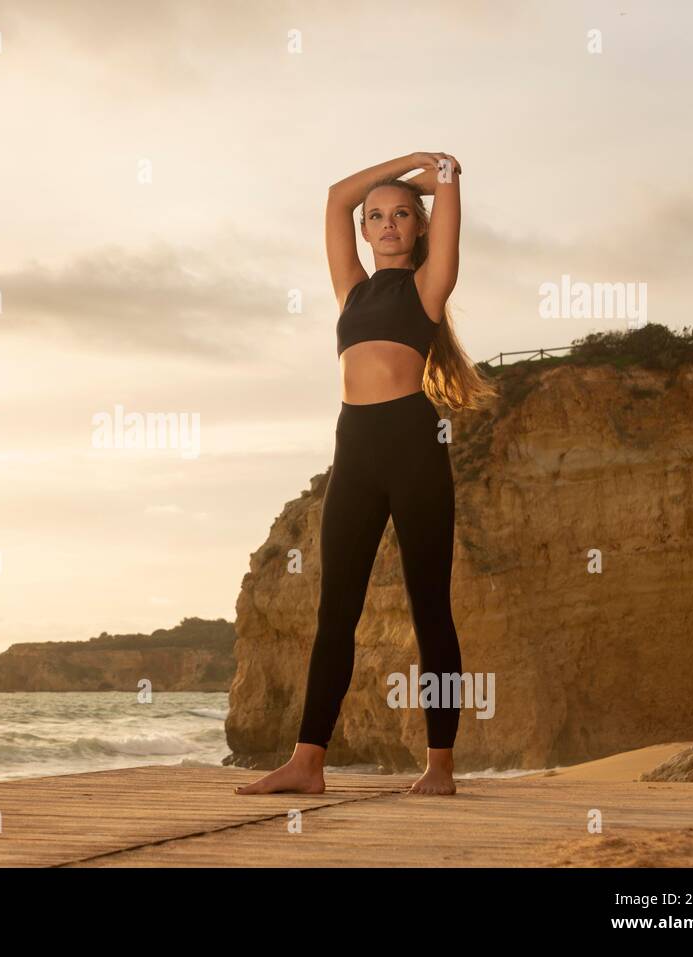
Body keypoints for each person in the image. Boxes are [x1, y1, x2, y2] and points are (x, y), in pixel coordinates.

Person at [236, 152, 496, 797]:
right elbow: (334, 196)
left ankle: (439, 765)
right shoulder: (351, 287)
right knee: (335, 611)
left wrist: (432, 176)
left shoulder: (429, 286)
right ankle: (307, 762)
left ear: (420, 229)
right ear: (364, 230)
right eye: (376, 216)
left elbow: (450, 182)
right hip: (352, 448)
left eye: (401, 215)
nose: (385, 224)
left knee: (430, 607)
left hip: (412, 443)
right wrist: (408, 164)